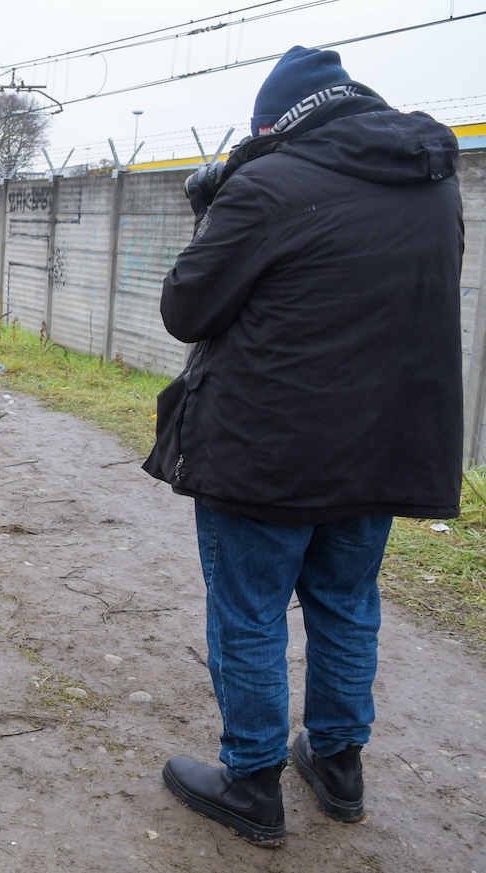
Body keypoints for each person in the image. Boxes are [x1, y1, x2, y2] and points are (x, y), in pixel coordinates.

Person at [142, 45, 464, 847]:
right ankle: (338, 765)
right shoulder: (432, 182)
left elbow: (186, 308)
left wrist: (216, 209)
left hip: (266, 450)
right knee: (347, 601)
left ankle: (252, 782)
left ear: (274, 123)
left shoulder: (267, 184)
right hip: (382, 443)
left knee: (250, 611)